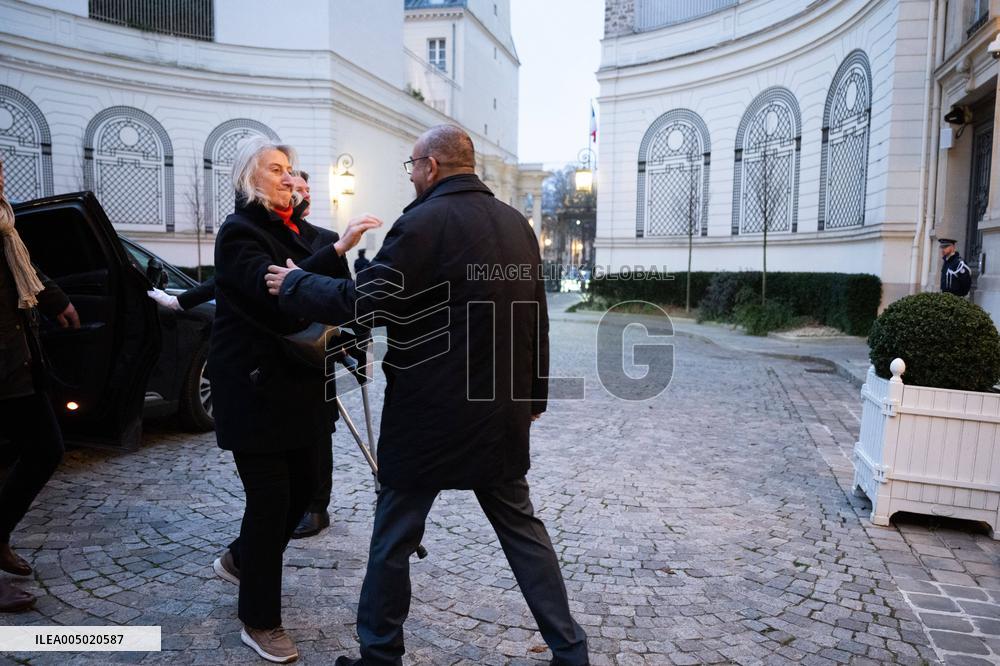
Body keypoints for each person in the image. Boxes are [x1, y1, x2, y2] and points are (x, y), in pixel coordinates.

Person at [265, 125, 589, 666]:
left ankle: (381, 656)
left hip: (428, 417)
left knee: (393, 539)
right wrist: (533, 399)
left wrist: (294, 283)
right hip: (499, 409)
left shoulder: (421, 223)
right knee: (523, 533)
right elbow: (538, 319)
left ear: (431, 167)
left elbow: (365, 304)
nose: (411, 176)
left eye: (411, 166)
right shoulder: (517, 226)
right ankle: (571, 650)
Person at [207, 137, 380, 663]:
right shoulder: (240, 233)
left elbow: (324, 296)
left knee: (305, 491)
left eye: (291, 169)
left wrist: (348, 334)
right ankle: (258, 620)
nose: (288, 177)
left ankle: (242, 558)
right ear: (249, 181)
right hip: (254, 392)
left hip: (304, 389)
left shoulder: (301, 233)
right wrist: (335, 253)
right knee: (270, 501)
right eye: (275, 170)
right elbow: (278, 303)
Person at [0, 155, 78, 612]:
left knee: (46, 448)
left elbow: (22, 271)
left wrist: (57, 300)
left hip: (18, 359)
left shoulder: (5, 222)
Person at [289, 169, 338, 539]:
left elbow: (346, 294)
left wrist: (360, 343)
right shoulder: (273, 235)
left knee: (321, 429)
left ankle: (317, 506)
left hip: (317, 347)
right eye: (295, 188)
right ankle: (292, 499)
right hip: (282, 348)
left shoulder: (327, 239)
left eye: (306, 188)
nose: (302, 194)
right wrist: (182, 299)